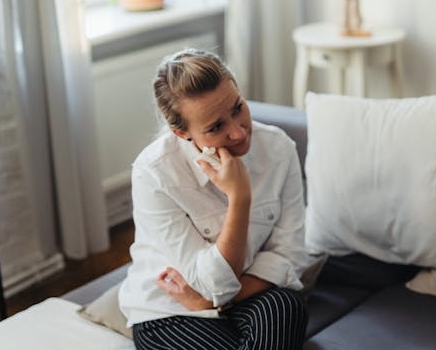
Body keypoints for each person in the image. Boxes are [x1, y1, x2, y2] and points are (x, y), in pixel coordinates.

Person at [118, 48, 311, 350]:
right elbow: (211, 283)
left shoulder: (278, 149)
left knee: (285, 307)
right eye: (216, 127)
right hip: (170, 310)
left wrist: (213, 302)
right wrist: (239, 199)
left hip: (250, 292)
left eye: (237, 108)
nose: (238, 133)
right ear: (182, 133)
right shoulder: (154, 173)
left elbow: (291, 253)